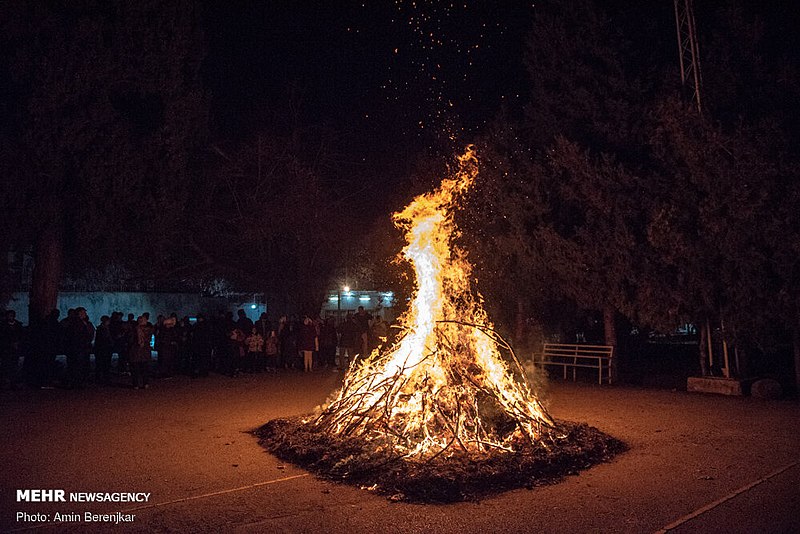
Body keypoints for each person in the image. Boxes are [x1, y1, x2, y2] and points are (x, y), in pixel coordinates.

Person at [0, 310, 24, 389]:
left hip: (15, 349)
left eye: (12, 315)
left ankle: (13, 382)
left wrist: (18, 343)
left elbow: (22, 336)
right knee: (6, 365)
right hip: (6, 349)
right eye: (9, 315)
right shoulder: (3, 326)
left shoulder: (18, 325)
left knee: (14, 365)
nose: (10, 317)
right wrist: (9, 344)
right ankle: (6, 381)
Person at [130, 315, 153, 389]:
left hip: (136, 352)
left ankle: (136, 384)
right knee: (145, 368)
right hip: (145, 352)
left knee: (135, 369)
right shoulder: (149, 330)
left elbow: (130, 339)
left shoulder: (134, 329)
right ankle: (145, 383)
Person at [93, 315, 114, 385]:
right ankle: (102, 379)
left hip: (103, 349)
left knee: (102, 364)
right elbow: (104, 339)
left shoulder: (102, 328)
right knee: (103, 364)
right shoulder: (103, 329)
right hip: (103, 349)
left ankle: (101, 378)